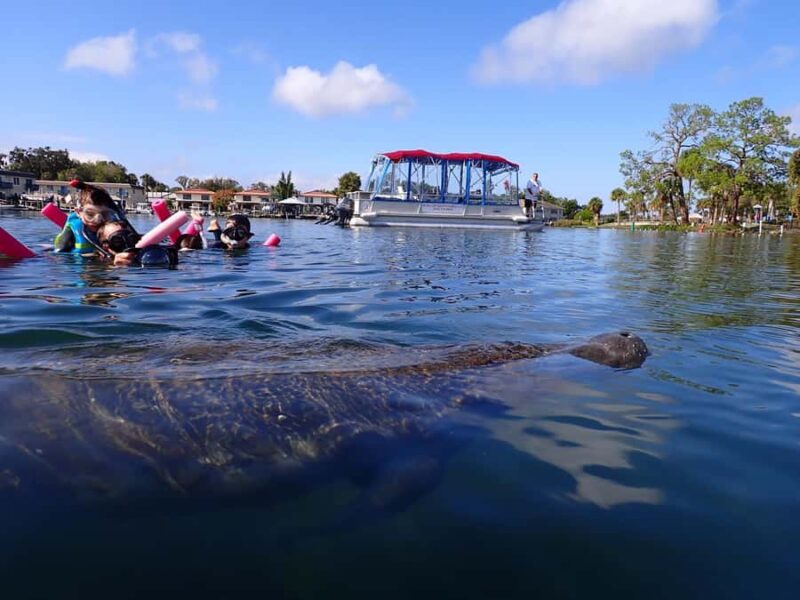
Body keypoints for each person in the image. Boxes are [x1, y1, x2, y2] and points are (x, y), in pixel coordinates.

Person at [54, 181, 123, 255]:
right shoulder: (72, 231)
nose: (98, 220)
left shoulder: (115, 228)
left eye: (105, 214)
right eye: (90, 214)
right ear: (78, 212)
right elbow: (59, 257)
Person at [97, 220, 178, 267]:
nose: (126, 244)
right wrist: (115, 267)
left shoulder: (142, 253)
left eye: (131, 238)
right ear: (105, 246)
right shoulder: (100, 263)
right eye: (118, 241)